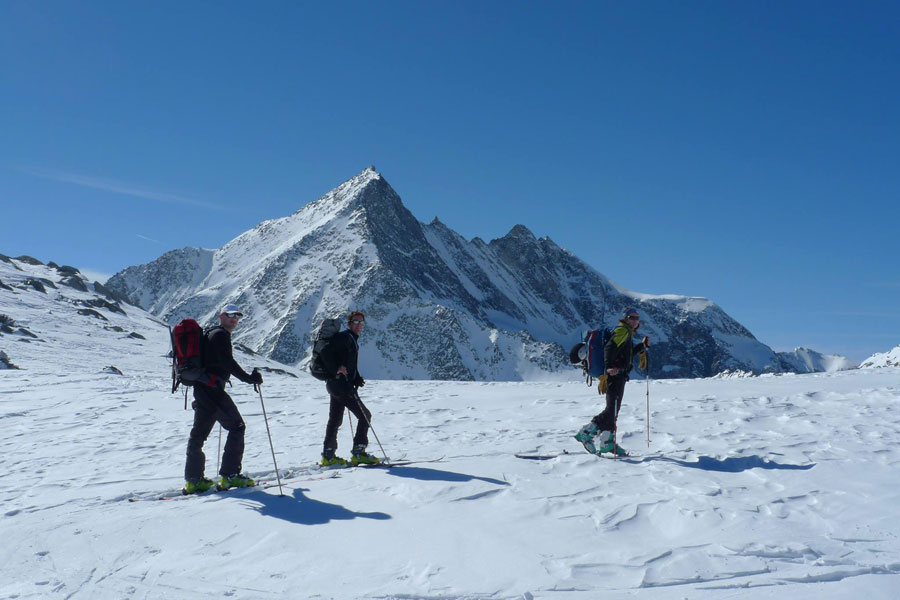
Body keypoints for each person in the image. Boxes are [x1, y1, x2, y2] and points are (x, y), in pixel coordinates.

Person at [183, 304, 263, 494]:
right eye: (230, 315)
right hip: (213, 390)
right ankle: (230, 476)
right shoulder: (220, 335)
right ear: (221, 316)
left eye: (237, 316)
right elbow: (227, 362)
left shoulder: (211, 334)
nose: (234, 319)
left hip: (202, 388)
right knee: (237, 427)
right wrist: (248, 378)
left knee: (198, 436)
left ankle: (194, 481)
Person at [574, 307, 650, 456]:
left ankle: (607, 442)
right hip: (614, 375)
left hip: (619, 374)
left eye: (637, 318)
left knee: (613, 410)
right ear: (626, 318)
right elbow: (609, 348)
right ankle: (586, 433)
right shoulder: (622, 331)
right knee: (611, 410)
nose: (635, 321)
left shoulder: (627, 332)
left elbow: (626, 355)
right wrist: (609, 368)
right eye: (632, 317)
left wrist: (642, 346)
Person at [319, 311, 380, 466]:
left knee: (335, 420)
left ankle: (328, 456)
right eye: (356, 322)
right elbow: (325, 353)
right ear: (349, 323)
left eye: (361, 323)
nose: (359, 326)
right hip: (341, 387)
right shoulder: (345, 338)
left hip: (335, 385)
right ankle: (359, 452)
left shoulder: (350, 339)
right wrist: (336, 369)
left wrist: (356, 377)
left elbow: (347, 362)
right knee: (365, 416)